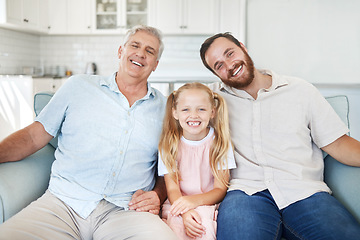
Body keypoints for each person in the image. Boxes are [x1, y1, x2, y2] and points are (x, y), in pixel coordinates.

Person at [0, 25, 177, 240]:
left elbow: (167, 167)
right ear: (120, 51)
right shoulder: (78, 86)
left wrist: (158, 195)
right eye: (135, 45)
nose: (141, 53)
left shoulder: (167, 109)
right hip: (62, 204)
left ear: (156, 64)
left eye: (150, 51)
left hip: (126, 211)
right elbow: (32, 137)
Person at [199, 32, 360, 240]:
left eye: (230, 54)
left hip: (304, 191)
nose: (229, 65)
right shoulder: (209, 100)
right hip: (246, 194)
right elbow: (173, 114)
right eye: (218, 65)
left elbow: (338, 144)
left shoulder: (300, 90)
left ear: (242, 47)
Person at [158, 82, 236, 239]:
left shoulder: (220, 143)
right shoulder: (168, 145)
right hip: (177, 204)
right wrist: (185, 211)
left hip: (206, 204)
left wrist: (192, 202)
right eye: (186, 109)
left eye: (201, 109)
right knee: (175, 229)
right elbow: (172, 190)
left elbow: (220, 190)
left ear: (212, 112)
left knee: (202, 228)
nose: (193, 115)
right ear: (175, 113)